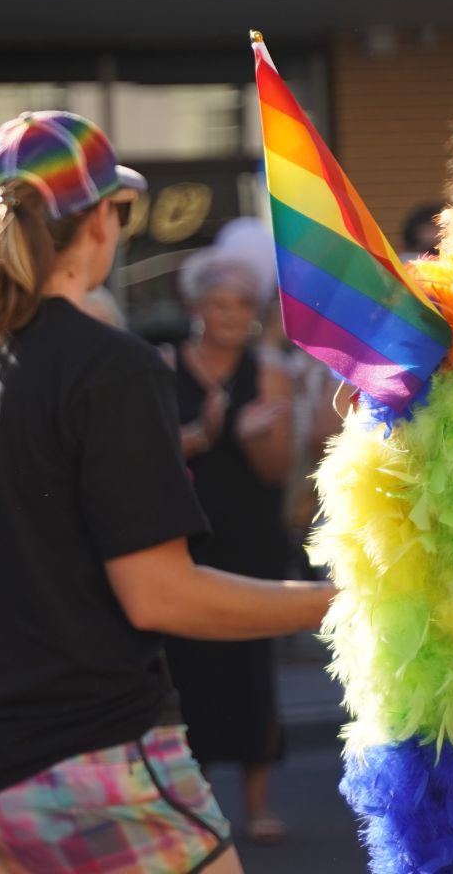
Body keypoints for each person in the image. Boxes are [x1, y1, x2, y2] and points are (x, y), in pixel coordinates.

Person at [0, 111, 335, 874]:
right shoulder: (112, 367)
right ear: (98, 220)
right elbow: (162, 597)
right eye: (119, 212)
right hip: (91, 765)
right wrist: (339, 601)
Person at [166, 220, 295, 845]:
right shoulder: (164, 366)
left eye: (241, 304)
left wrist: (254, 436)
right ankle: (196, 803)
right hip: (187, 537)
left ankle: (257, 805)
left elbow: (278, 472)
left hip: (249, 536)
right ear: (195, 305)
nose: (228, 314)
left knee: (251, 667)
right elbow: (152, 458)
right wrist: (203, 435)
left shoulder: (267, 372)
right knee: (188, 669)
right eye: (217, 302)